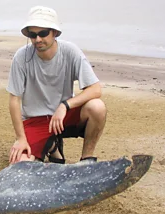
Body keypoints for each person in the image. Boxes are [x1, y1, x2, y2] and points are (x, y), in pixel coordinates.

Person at [7, 6, 106, 165]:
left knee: (97, 107)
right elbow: (14, 100)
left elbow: (95, 89)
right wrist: (20, 138)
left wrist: (65, 105)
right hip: (35, 120)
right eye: (33, 34)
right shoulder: (21, 57)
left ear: (55, 33)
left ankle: (86, 160)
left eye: (43, 33)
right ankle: (52, 145)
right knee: (19, 164)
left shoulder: (70, 51)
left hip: (63, 117)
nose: (38, 39)